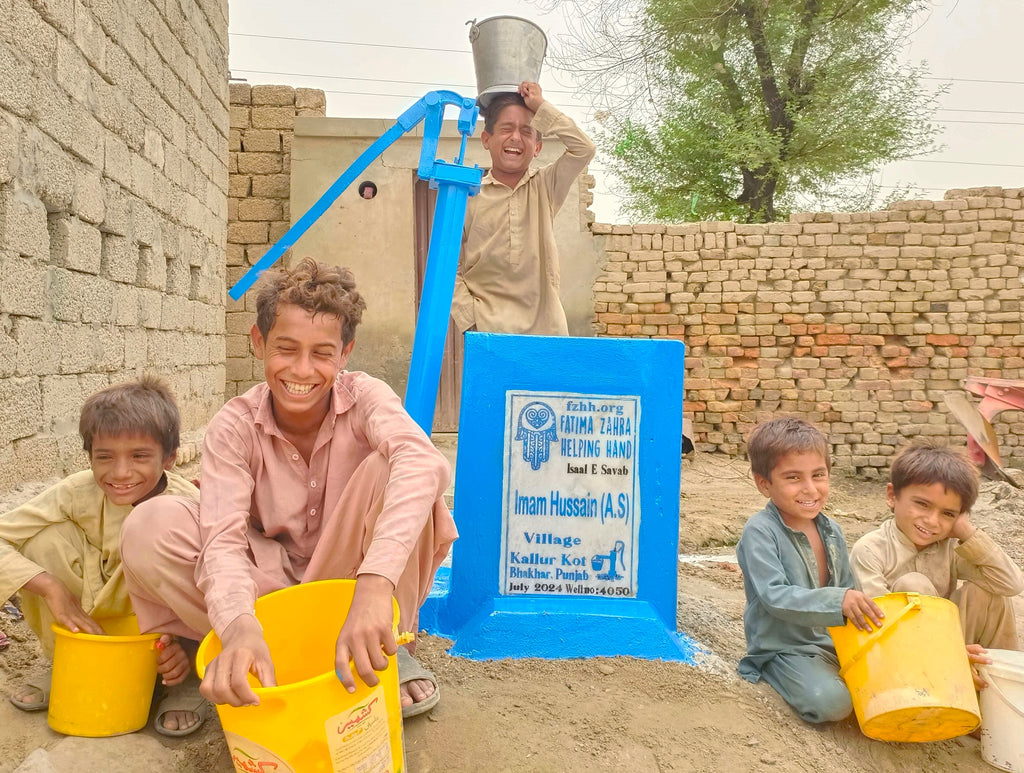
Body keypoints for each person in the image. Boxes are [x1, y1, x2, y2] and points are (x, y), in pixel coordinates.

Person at [121, 259, 457, 719]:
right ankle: (228, 649)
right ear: (259, 344)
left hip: (352, 586)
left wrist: (374, 588)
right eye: (286, 348)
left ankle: (384, 645)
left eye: (322, 353)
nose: (302, 369)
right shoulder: (233, 427)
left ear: (345, 354)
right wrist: (238, 624)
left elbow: (422, 461)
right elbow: (221, 540)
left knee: (404, 471)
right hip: (270, 593)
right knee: (149, 524)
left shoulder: (366, 398)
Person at [0, 376, 200, 733]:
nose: (120, 473)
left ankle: (183, 681)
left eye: (140, 456)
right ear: (89, 456)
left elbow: (217, 582)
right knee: (43, 540)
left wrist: (186, 646)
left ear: (169, 458)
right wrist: (51, 588)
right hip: (94, 617)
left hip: (161, 636)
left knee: (187, 555)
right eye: (104, 457)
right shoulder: (77, 491)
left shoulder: (190, 505)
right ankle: (65, 660)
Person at [736, 417, 884, 723]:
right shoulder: (760, 532)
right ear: (764, 483)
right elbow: (774, 596)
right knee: (832, 702)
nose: (810, 488)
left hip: (832, 644)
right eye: (793, 478)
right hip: (784, 648)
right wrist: (838, 601)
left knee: (893, 678)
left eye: (819, 475)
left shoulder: (833, 531)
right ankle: (772, 671)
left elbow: (846, 588)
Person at [850, 440, 1023, 660]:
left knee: (990, 594)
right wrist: (952, 654)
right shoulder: (870, 550)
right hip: (898, 655)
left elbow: (1011, 584)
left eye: (948, 514)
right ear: (892, 496)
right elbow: (880, 625)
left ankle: (998, 677)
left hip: (952, 645)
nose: (932, 521)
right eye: (922, 504)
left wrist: (967, 532)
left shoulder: (949, 547)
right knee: (913, 585)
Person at [452, 81, 596, 336]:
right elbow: (450, 269)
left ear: (538, 147)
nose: (516, 138)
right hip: (488, 334)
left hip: (547, 332)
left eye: (527, 131)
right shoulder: (469, 196)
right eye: (506, 129)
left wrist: (540, 106)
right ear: (487, 139)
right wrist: (471, 323)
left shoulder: (545, 186)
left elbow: (584, 149)